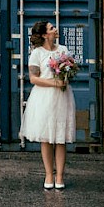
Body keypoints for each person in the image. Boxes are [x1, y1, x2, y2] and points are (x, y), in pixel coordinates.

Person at [20, 20, 76, 190]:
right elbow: (33, 79)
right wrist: (54, 83)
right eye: (52, 28)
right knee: (46, 138)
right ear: (45, 34)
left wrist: (66, 78)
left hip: (61, 97)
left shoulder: (63, 50)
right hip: (44, 97)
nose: (55, 29)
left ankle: (59, 175)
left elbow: (70, 69)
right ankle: (48, 174)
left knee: (60, 138)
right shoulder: (37, 53)